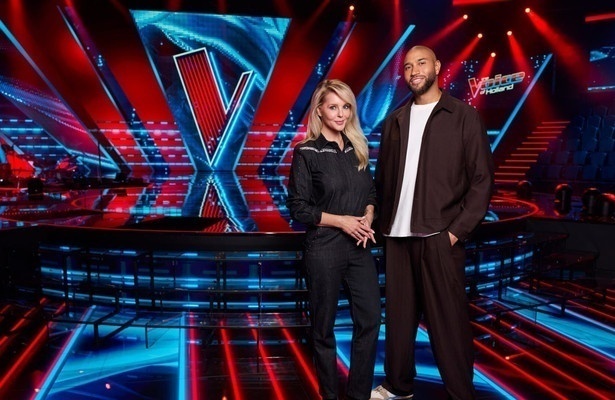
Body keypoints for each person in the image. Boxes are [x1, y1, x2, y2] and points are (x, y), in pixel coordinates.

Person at [371, 46, 495, 400]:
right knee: (398, 321)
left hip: (439, 237)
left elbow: (482, 181)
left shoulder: (463, 116)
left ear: (437, 67)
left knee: (449, 323)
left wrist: (455, 233)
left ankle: (461, 394)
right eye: (408, 66)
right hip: (396, 237)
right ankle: (398, 386)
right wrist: (378, 223)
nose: (414, 71)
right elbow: (383, 180)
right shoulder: (395, 120)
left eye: (421, 63)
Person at [287, 79, 382, 400]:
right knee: (323, 329)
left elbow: (370, 193)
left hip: (359, 248)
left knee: (370, 320)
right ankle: (329, 395)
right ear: (319, 111)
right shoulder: (306, 152)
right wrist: (342, 221)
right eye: (333, 107)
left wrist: (368, 214)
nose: (341, 114)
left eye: (346, 107)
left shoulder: (357, 148)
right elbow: (298, 208)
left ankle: (358, 395)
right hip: (323, 248)